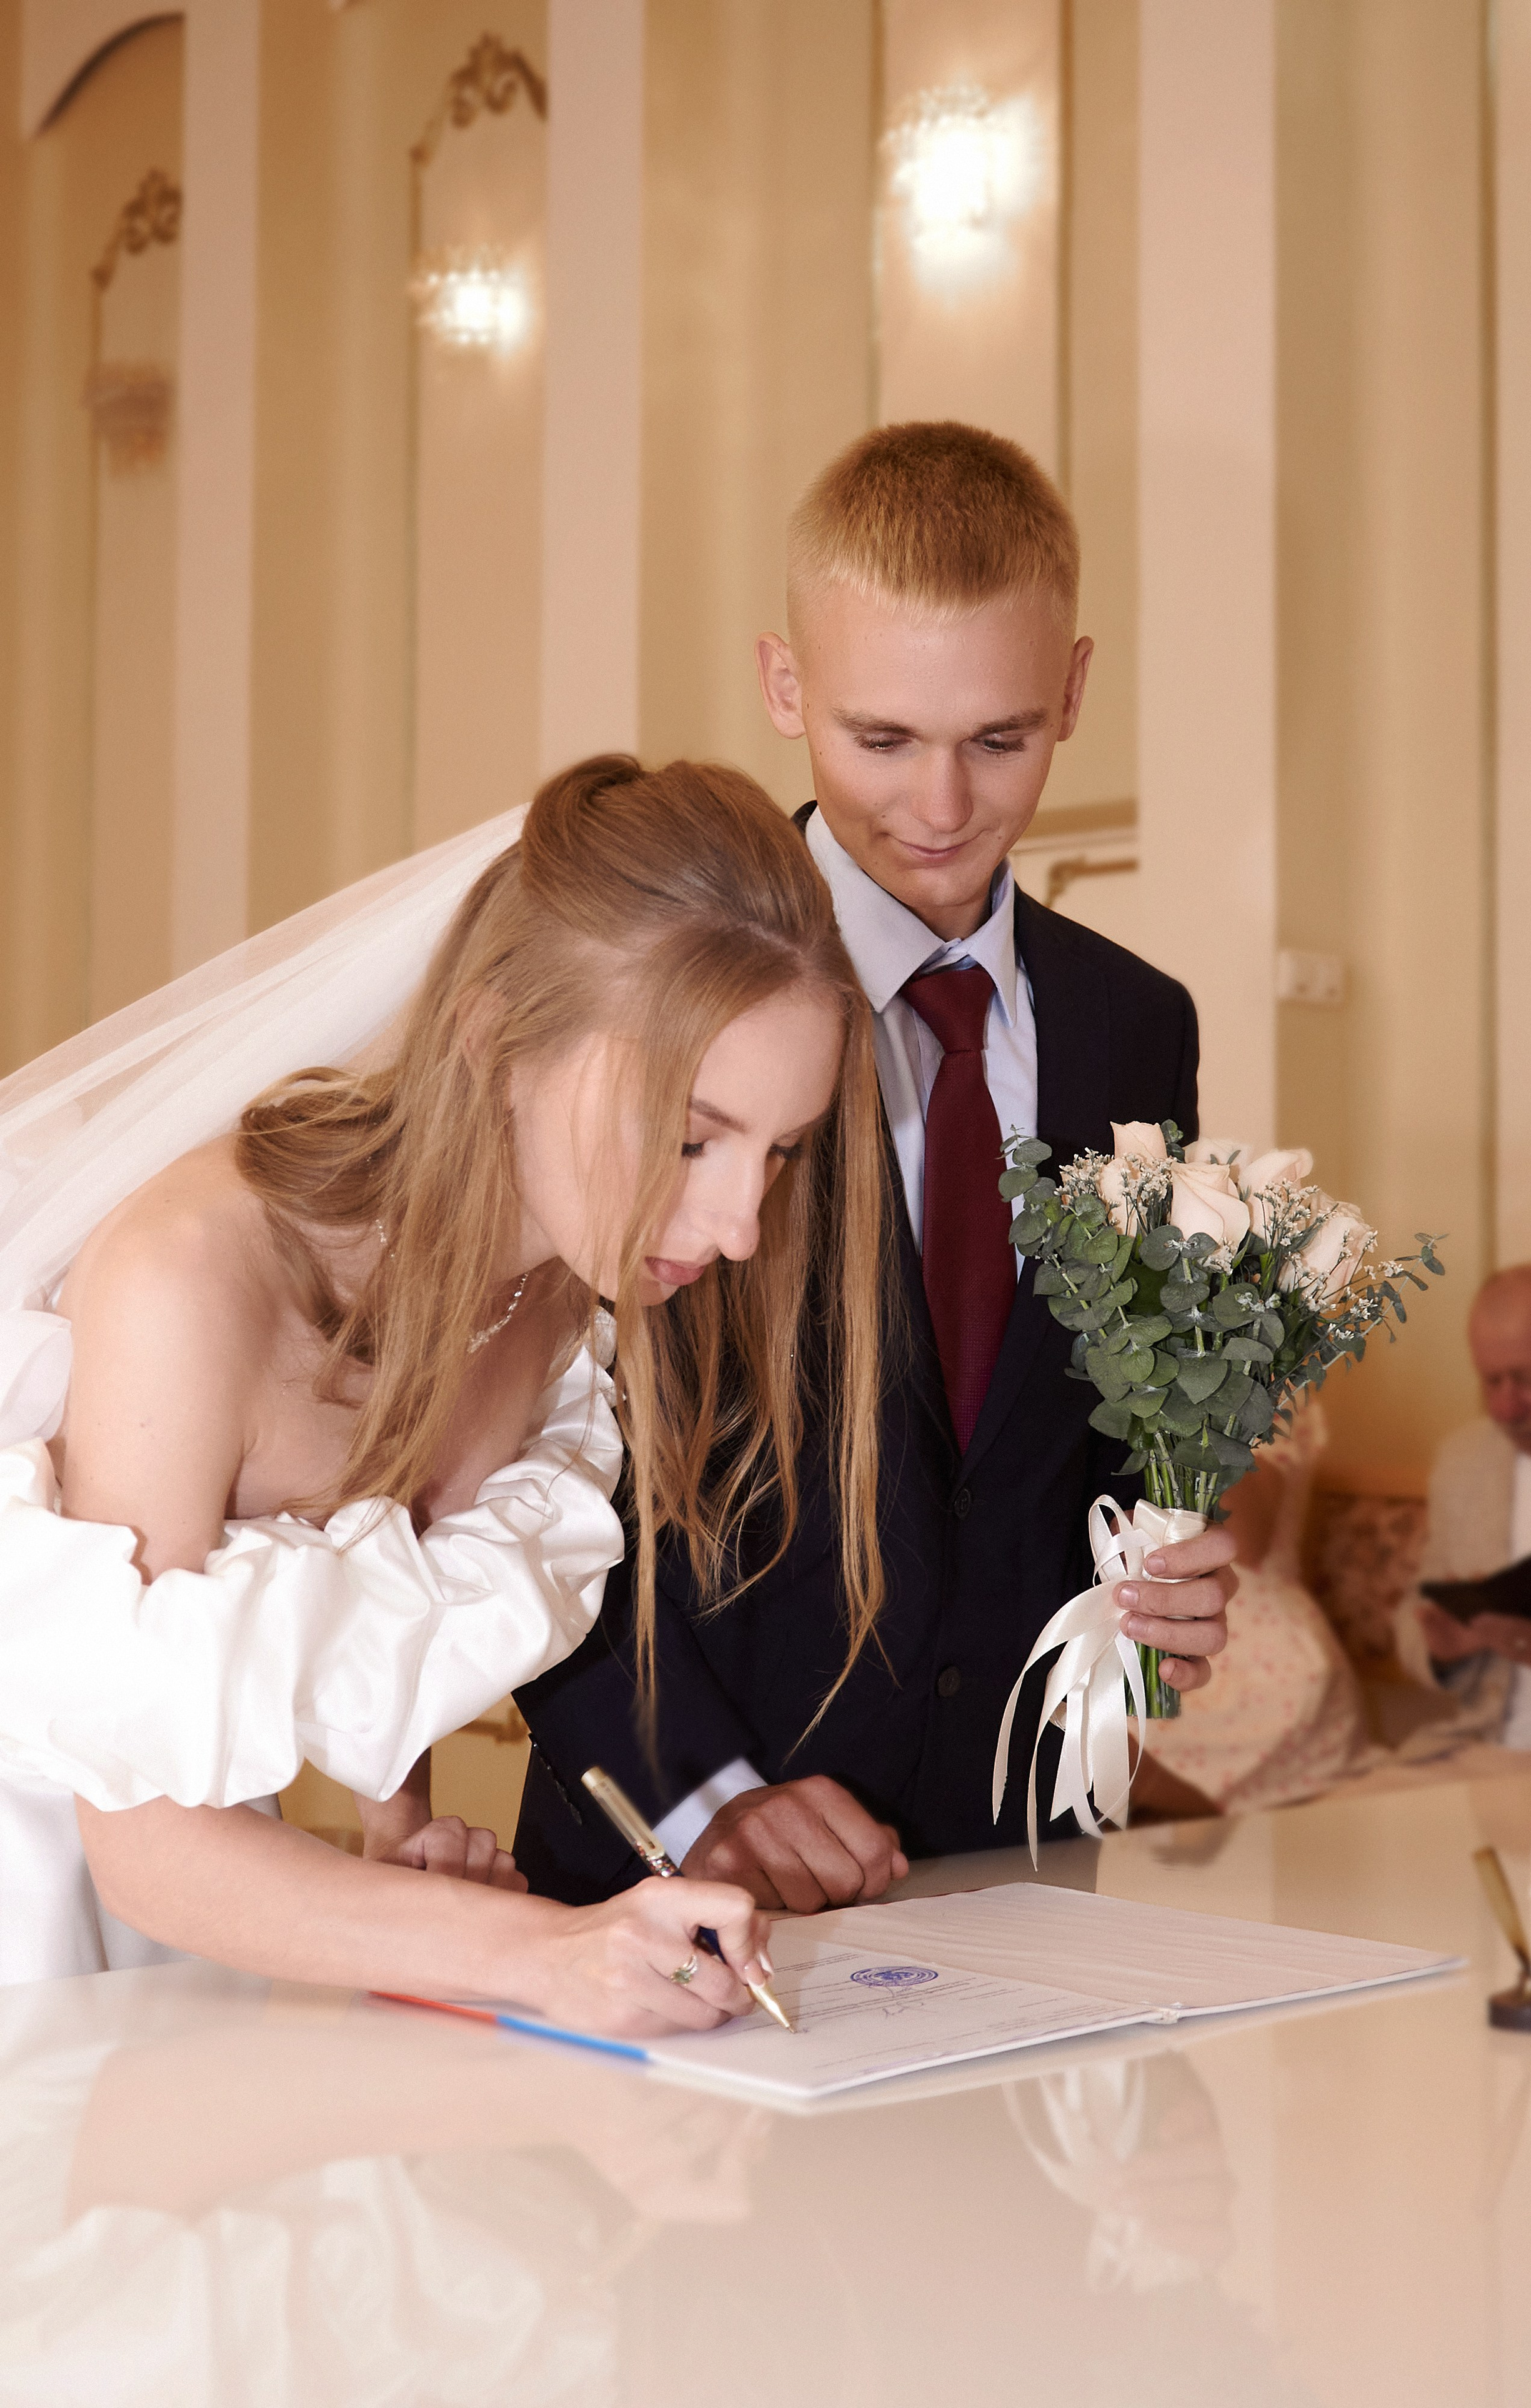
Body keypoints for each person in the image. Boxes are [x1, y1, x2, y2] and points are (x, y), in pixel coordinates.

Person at [0, 755, 889, 2028]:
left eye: (780, 1149)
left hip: (205, 1875)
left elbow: (367, 1574)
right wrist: (542, 1948)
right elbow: (143, 1836)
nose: (742, 1225)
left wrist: (397, 1832)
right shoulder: (187, 1274)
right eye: (690, 1137)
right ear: (493, 1039)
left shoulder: (548, 1289)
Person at [512, 422, 1235, 1909]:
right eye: (882, 739)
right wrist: (702, 1796)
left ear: (1072, 691)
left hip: (1022, 1867)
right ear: (784, 686)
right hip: (670, 1881)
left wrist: (1164, 1573)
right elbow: (510, 1462)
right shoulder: (648, 983)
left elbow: (1094, 1441)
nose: (942, 807)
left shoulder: (1135, 1026)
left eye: (1000, 739)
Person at [1394, 1263, 1531, 1748]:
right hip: (1488, 1748)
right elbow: (1415, 1613)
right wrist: (1444, 1649)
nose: (1507, 1410)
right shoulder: (1466, 1461)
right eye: (1491, 1382)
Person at [1137, 1401, 1368, 1814]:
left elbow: (1249, 1541)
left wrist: (1199, 1399)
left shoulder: (1282, 1390)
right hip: (1137, 1617)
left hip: (1255, 1653)